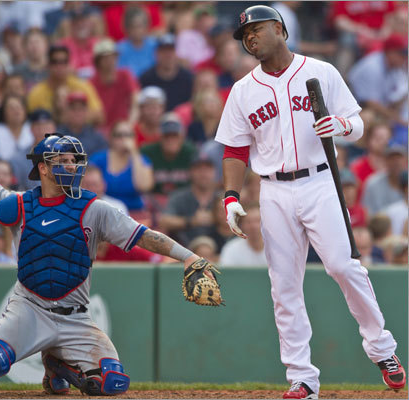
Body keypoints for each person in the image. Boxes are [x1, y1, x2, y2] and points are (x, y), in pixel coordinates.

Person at [215, 5, 405, 398]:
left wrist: (341, 125)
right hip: (273, 189)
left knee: (343, 266)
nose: (250, 38)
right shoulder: (243, 90)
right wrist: (231, 195)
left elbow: (358, 124)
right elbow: (234, 150)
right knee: (284, 285)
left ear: (280, 29)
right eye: (245, 35)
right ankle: (302, 377)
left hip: (320, 180)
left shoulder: (321, 71)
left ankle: (382, 349)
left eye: (256, 30)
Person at [0, 131, 208, 396]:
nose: (70, 165)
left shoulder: (94, 208)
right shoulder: (22, 204)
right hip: (29, 308)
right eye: (62, 160)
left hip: (75, 316)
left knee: (112, 381)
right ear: (43, 168)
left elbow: (144, 235)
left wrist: (188, 256)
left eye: (73, 160)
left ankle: (58, 364)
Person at [27, 45, 104, 126]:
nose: (59, 66)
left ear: (69, 64)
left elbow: (99, 116)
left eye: (64, 62)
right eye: (55, 62)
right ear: (48, 65)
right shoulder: (36, 93)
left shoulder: (82, 86)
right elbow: (29, 123)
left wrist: (73, 115)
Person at [89, 120, 154, 213]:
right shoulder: (98, 159)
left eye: (129, 135)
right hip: (105, 211)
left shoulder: (141, 160)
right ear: (111, 138)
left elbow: (144, 186)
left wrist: (134, 152)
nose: (124, 139)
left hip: (134, 212)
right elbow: (88, 186)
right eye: (119, 135)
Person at [160, 155, 218, 248]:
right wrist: (191, 221)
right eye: (198, 169)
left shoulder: (221, 197)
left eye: (207, 169)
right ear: (190, 172)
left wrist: (217, 219)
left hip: (217, 250)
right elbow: (164, 221)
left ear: (214, 172)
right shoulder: (179, 196)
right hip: (184, 249)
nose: (203, 174)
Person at [90, 38, 140, 135]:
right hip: (101, 132)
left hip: (124, 128)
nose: (110, 61)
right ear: (98, 61)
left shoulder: (125, 75)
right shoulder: (91, 83)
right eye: (105, 58)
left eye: (113, 57)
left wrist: (130, 125)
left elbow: (135, 102)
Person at [139, 33, 194, 111]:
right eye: (164, 51)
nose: (168, 55)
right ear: (156, 54)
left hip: (181, 117)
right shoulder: (146, 78)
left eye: (171, 51)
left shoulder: (188, 78)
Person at [219, 203, 266, 267]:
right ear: (241, 225)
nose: (253, 226)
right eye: (248, 222)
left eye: (257, 221)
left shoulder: (277, 247)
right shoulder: (231, 249)